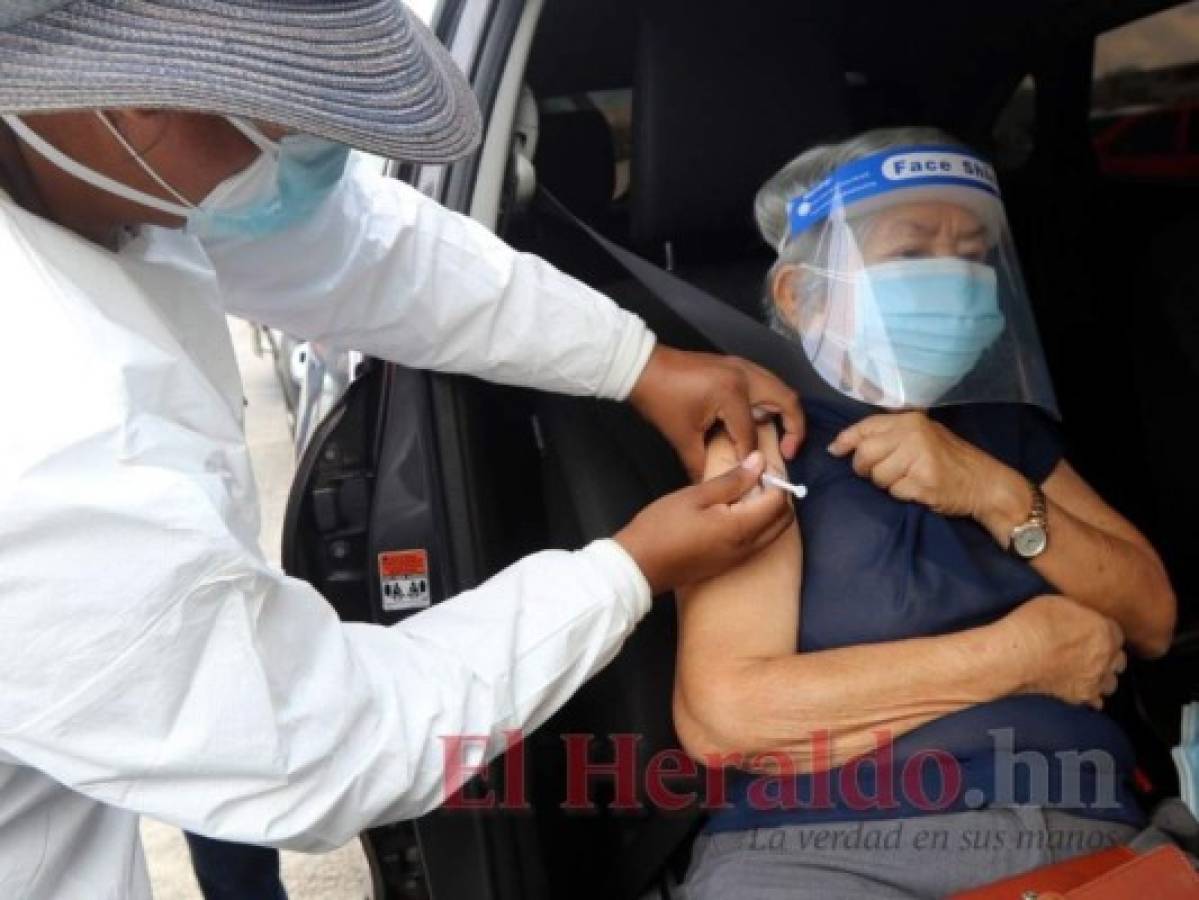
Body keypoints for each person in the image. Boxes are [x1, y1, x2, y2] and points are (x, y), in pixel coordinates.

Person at [0, 3, 806, 898]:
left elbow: (355, 246)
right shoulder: (47, 436)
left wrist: (636, 360)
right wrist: (623, 572)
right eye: (286, 125)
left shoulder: (116, 166)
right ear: (140, 101)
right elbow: (313, 741)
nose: (307, 159)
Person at [673, 128, 1178, 898]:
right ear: (800, 293)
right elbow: (727, 714)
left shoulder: (1003, 433)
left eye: (973, 256)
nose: (954, 280)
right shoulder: (766, 442)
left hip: (1084, 827)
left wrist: (992, 489)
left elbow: (1150, 615)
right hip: (831, 851)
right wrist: (1021, 655)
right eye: (911, 255)